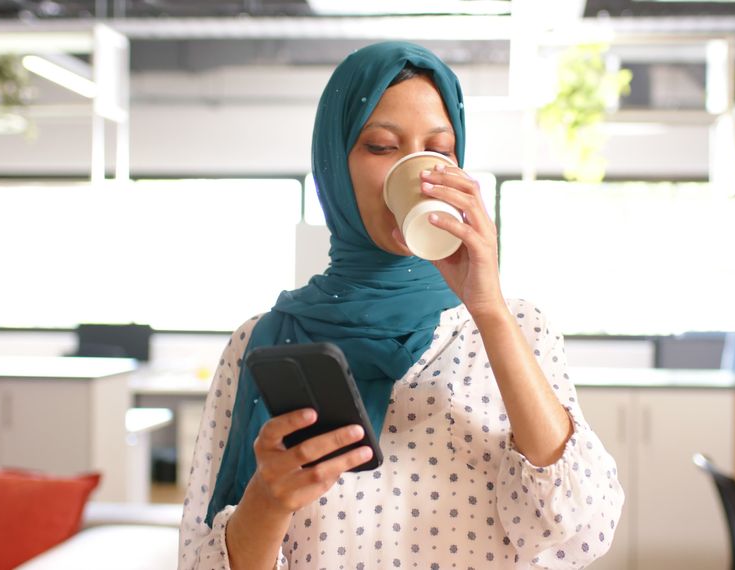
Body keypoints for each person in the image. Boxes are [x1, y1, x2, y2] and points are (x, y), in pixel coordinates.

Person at [179, 41, 623, 569]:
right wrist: (268, 502)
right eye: (382, 147)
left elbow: (576, 529)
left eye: (439, 149)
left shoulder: (517, 326)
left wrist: (488, 308)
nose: (419, 172)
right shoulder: (267, 343)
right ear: (334, 166)